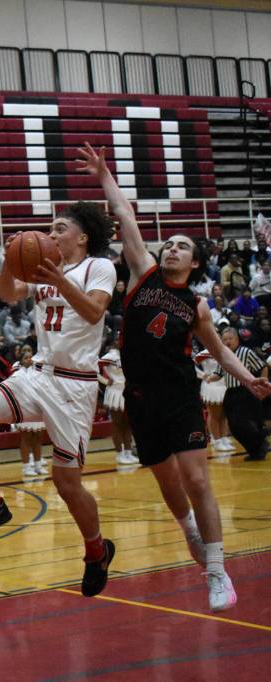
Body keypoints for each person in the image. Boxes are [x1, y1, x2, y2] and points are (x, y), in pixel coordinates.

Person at [78, 141, 271, 611]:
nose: (171, 249)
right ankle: (189, 532)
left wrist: (249, 380)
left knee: (197, 480)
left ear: (195, 262)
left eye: (182, 246)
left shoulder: (196, 305)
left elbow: (219, 352)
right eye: (169, 244)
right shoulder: (143, 274)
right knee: (168, 482)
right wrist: (104, 175)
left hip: (181, 395)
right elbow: (125, 216)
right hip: (140, 397)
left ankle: (217, 570)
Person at [0, 148, 119, 600]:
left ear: (82, 238)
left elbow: (93, 313)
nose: (51, 234)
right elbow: (8, 294)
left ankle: (95, 550)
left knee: (66, 483)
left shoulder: (98, 267)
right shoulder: (46, 268)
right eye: (50, 229)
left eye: (59, 228)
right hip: (39, 373)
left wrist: (57, 278)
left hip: (75, 385)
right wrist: (11, 260)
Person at [217, 327, 268, 461]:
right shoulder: (222, 355)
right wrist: (207, 377)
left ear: (237, 339)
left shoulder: (246, 352)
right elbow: (218, 373)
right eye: (225, 339)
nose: (228, 342)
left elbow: (262, 366)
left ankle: (260, 443)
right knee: (233, 427)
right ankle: (255, 449)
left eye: (230, 338)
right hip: (230, 393)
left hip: (245, 391)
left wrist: (263, 383)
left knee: (242, 423)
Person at [98, 342, 136, 466]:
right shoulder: (111, 356)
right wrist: (105, 380)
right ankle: (120, 454)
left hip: (127, 391)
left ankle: (128, 453)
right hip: (115, 392)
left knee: (128, 424)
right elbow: (92, 366)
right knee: (117, 424)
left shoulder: (128, 353)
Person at [194, 348, 232, 452]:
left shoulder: (224, 350)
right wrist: (203, 375)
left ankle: (224, 438)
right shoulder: (205, 352)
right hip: (211, 385)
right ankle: (216, 441)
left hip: (224, 384)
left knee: (224, 415)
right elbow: (191, 365)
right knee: (214, 414)